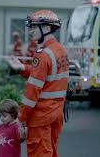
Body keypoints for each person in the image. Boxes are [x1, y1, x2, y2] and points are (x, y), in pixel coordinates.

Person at [7, 10, 69, 157]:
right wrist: (23, 67)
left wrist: (22, 119)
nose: (30, 31)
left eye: (34, 27)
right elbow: (46, 75)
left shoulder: (43, 54)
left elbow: (31, 93)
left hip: (41, 117)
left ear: (46, 28)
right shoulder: (61, 50)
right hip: (56, 114)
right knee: (52, 152)